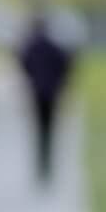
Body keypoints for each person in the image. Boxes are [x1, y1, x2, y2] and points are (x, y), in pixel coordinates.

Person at [17, 15, 75, 185]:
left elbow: (24, 63)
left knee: (39, 128)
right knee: (48, 129)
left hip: (37, 91)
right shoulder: (54, 46)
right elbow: (65, 66)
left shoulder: (32, 47)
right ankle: (46, 164)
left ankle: (41, 164)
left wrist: (33, 79)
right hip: (51, 92)